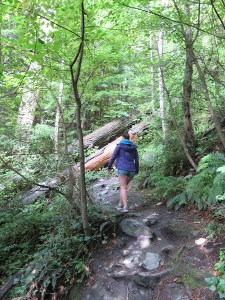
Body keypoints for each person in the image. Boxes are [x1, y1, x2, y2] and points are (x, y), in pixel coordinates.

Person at [107, 131, 139, 213]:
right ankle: (120, 204)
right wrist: (137, 170)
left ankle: (125, 207)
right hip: (132, 170)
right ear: (129, 138)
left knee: (123, 187)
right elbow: (137, 160)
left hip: (122, 169)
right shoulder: (133, 147)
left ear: (123, 138)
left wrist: (109, 167)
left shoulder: (119, 146)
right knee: (123, 187)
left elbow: (113, 156)